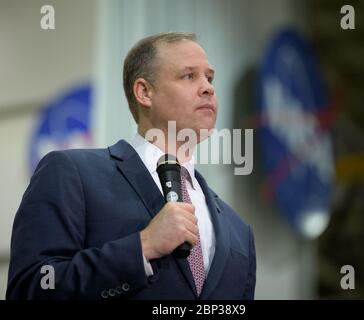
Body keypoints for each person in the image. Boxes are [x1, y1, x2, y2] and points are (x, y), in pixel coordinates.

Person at [6, 32, 256, 300]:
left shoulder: (239, 231)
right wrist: (143, 246)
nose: (208, 87)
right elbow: (32, 289)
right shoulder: (72, 173)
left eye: (210, 77)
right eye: (188, 76)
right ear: (144, 92)